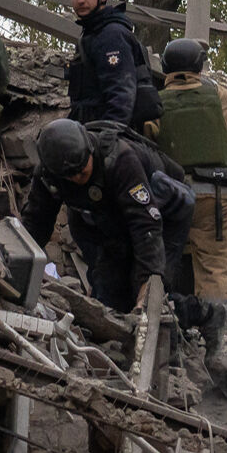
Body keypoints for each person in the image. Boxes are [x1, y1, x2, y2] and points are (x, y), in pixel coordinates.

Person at [19, 117, 191, 314]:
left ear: (90, 152)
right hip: (112, 218)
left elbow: (146, 228)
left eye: (82, 173)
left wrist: (146, 291)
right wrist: (19, 265)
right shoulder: (49, 174)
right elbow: (36, 222)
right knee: (110, 295)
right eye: (69, 177)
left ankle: (204, 316)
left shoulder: (120, 160)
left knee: (153, 295)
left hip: (164, 214)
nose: (76, 180)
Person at [145, 38, 227, 353]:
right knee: (215, 265)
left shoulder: (156, 102)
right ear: (199, 66)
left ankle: (167, 331)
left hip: (172, 199)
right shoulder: (217, 95)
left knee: (169, 258)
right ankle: (214, 344)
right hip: (217, 198)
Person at [64, 0, 159, 130]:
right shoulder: (92, 34)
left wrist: (105, 139)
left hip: (110, 139)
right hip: (93, 132)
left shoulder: (110, 35)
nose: (80, 0)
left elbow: (121, 97)